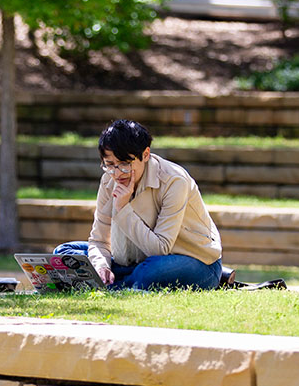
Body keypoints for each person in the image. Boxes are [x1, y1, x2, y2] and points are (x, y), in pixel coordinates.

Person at [53, 119, 223, 290]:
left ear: (146, 154)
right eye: (110, 165)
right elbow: (99, 241)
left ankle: (106, 286)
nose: (117, 173)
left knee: (150, 272)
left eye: (125, 164)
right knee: (65, 252)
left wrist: (122, 208)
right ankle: (115, 282)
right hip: (132, 261)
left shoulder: (174, 181)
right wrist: (101, 266)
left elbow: (160, 249)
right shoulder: (108, 181)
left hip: (193, 262)